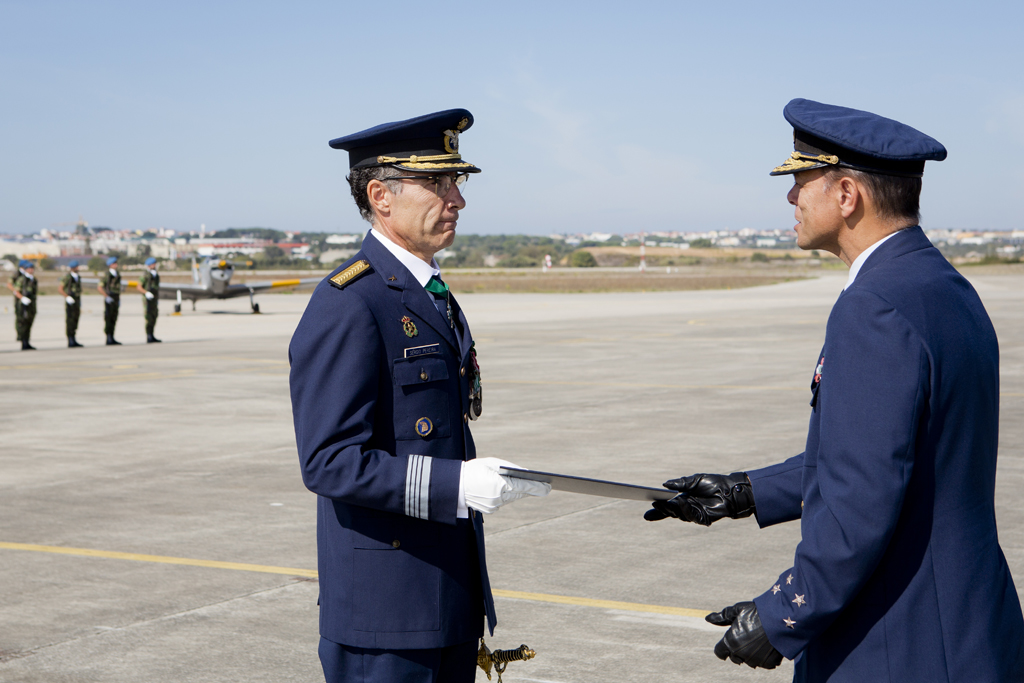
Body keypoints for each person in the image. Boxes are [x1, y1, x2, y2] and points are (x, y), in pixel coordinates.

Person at [645, 99, 1024, 681]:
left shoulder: (872, 306)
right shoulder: (942, 286)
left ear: (847, 195)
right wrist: (748, 491)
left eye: (801, 181)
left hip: (899, 640)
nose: (791, 198)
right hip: (967, 628)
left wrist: (781, 616)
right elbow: (885, 453)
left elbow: (862, 497)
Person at [289, 109, 550, 683]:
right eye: (438, 183)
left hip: (445, 599)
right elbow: (329, 462)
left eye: (457, 182)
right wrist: (457, 483)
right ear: (381, 195)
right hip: (386, 617)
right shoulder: (350, 302)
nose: (457, 199)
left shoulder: (429, 292)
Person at [7, 259, 37, 350]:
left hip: (30, 302)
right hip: (20, 300)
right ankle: (21, 337)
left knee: (28, 320)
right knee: (21, 319)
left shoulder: (33, 279)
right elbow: (10, 285)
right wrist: (20, 296)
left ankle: (26, 341)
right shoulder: (18, 276)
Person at [58, 260, 84, 347]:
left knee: (75, 319)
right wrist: (67, 297)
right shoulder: (67, 277)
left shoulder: (78, 277)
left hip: (76, 301)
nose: (78, 268)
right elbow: (60, 289)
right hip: (70, 302)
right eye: (76, 267)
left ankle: (74, 338)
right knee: (70, 320)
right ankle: (70, 340)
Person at [97, 256, 122, 345]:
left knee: (114, 318)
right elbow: (100, 287)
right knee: (108, 318)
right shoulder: (106, 275)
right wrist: (106, 296)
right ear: (110, 265)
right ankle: (108, 338)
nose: (116, 265)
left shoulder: (117, 274)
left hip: (115, 298)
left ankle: (112, 337)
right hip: (109, 298)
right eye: (114, 263)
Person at [136, 256, 161, 343]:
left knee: (154, 316)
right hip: (147, 300)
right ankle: (149, 336)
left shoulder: (155, 275)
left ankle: (152, 335)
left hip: (154, 299)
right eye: (153, 264)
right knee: (148, 317)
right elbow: (139, 287)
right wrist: (146, 293)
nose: (155, 265)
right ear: (149, 265)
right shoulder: (145, 275)